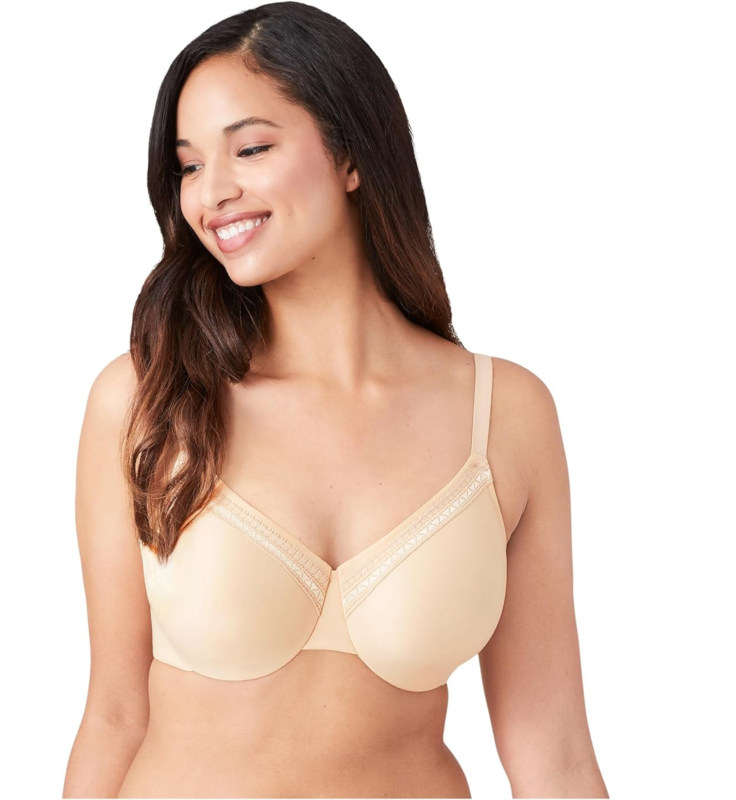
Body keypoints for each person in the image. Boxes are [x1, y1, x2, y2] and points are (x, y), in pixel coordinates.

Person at [62, 2, 609, 797]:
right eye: (188, 166)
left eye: (250, 148)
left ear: (351, 154)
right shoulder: (147, 400)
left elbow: (552, 752)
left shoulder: (506, 415)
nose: (213, 192)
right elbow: (115, 715)